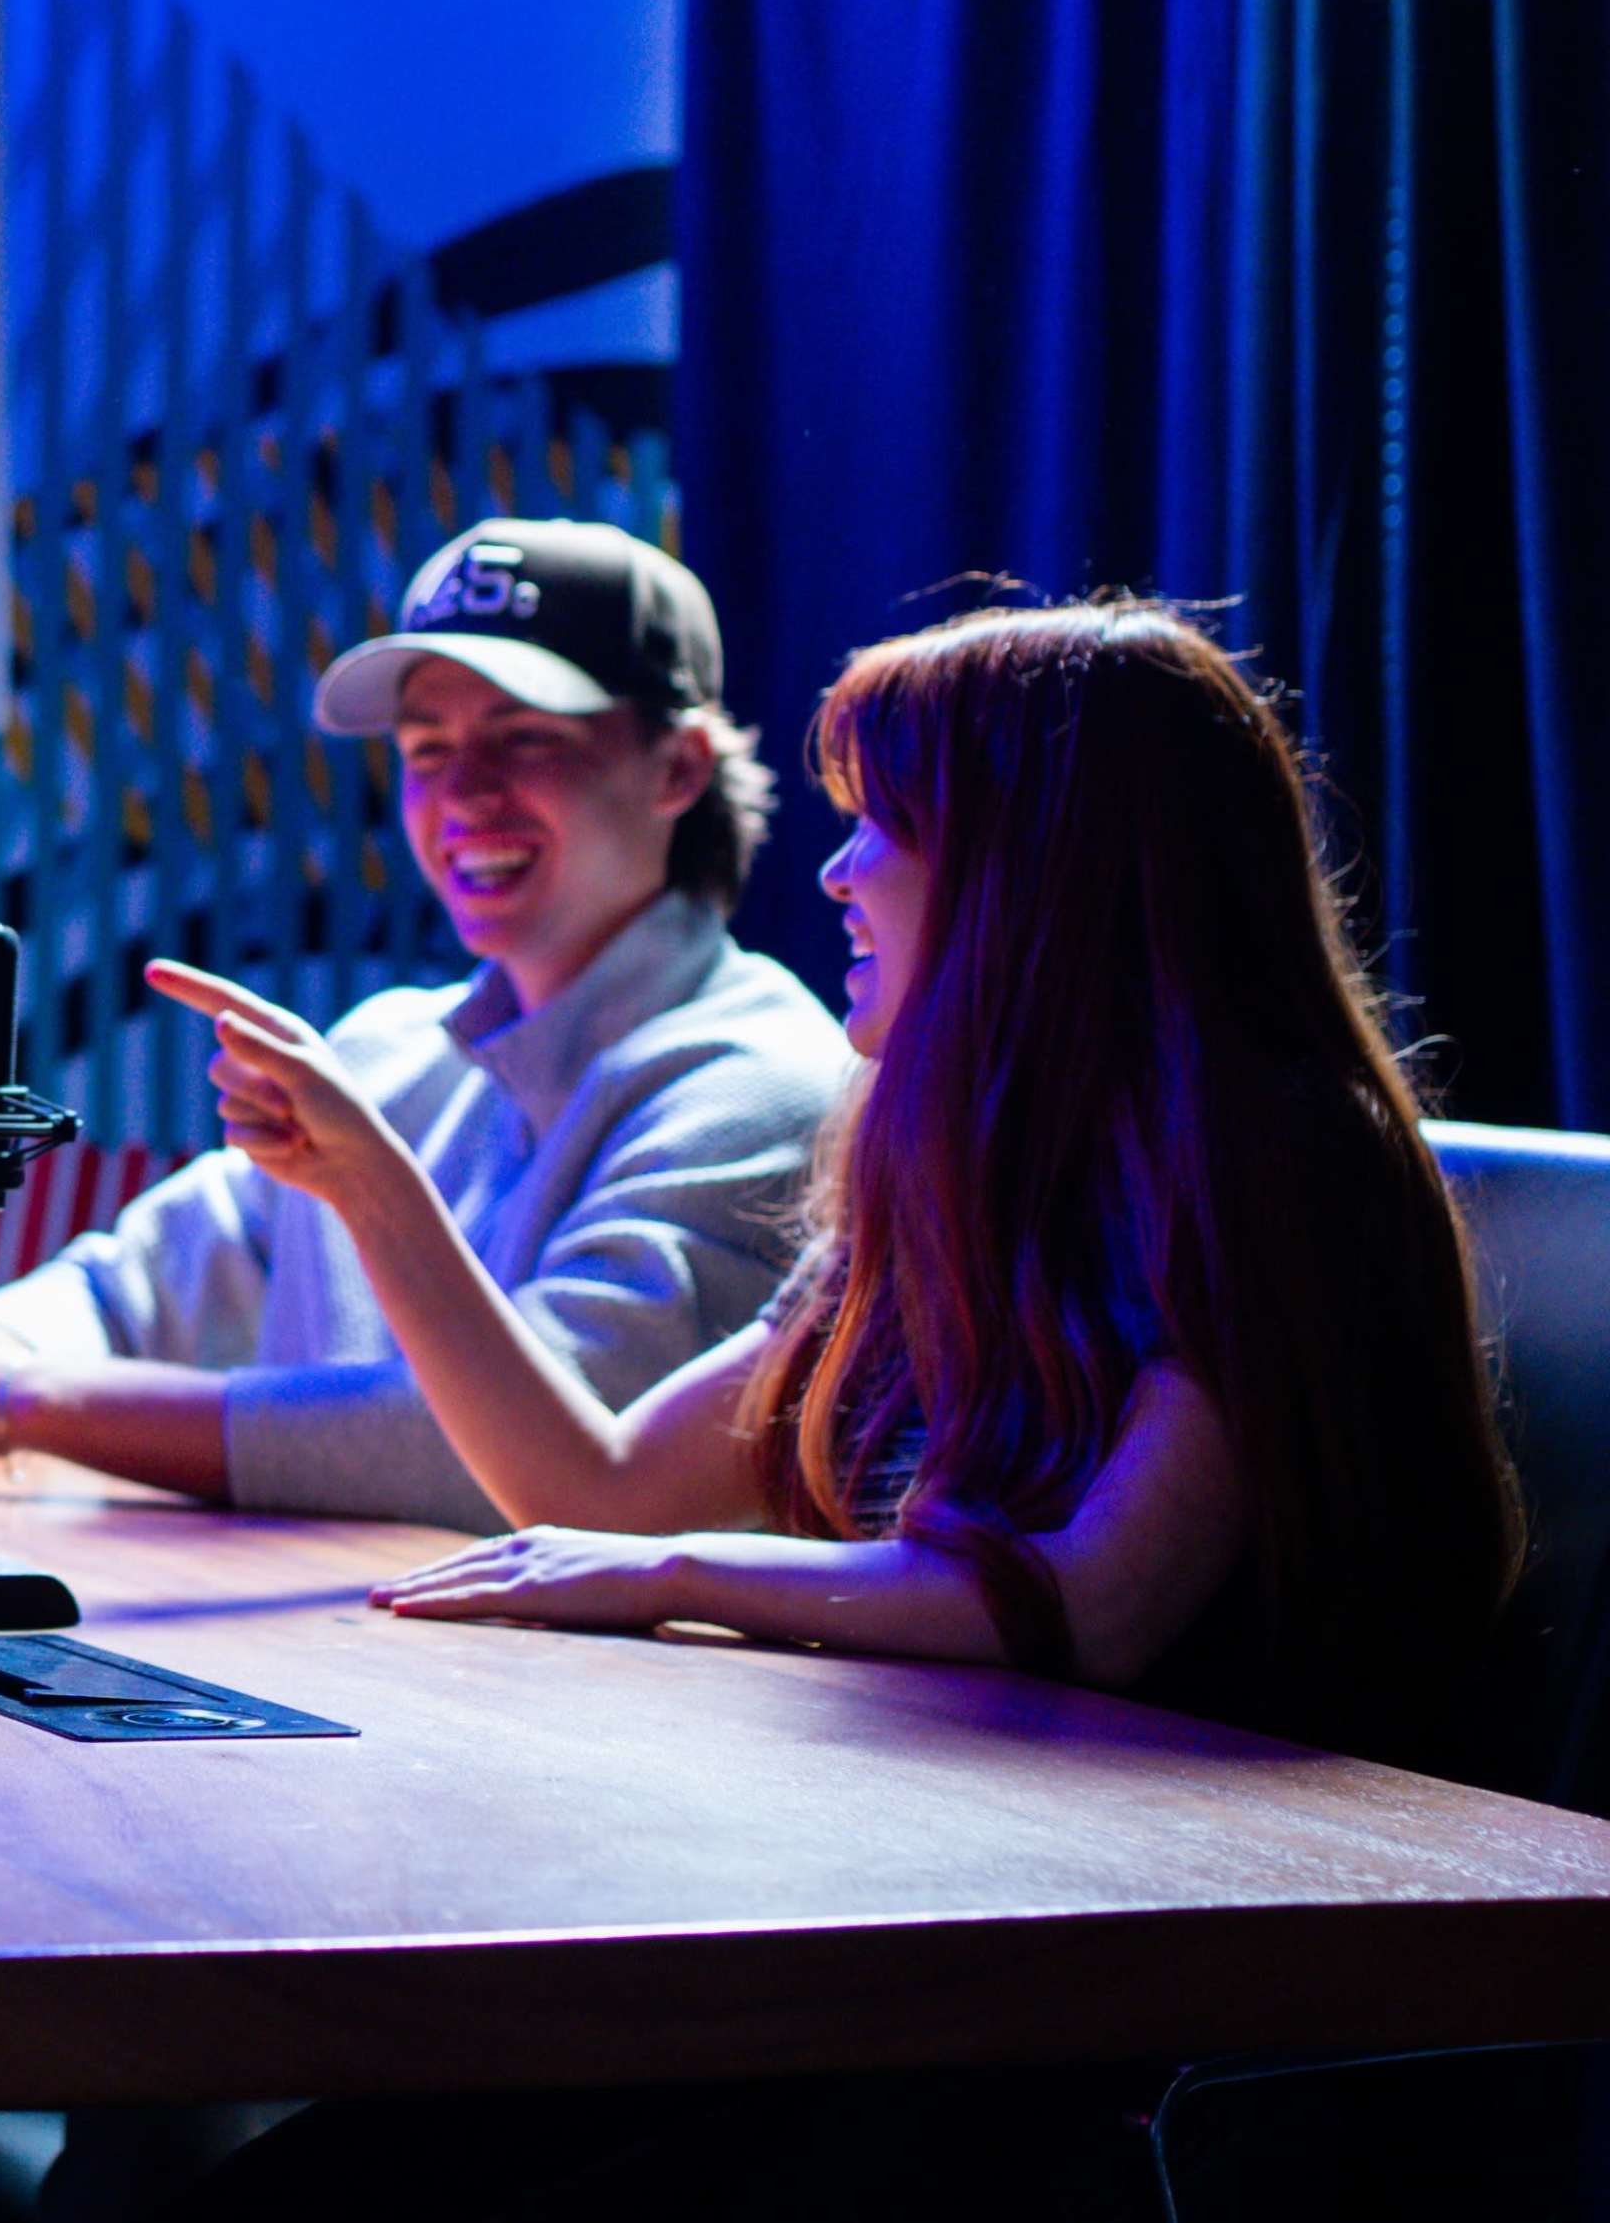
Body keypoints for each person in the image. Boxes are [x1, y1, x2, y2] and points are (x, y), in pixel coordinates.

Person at [155, 599, 1524, 1763]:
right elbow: (601, 1486)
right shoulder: (935, 1152)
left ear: (1038, 872)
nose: (837, 869)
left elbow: (1097, 1607)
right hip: (989, 1858)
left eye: (887, 823)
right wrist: (376, 1191)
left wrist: (679, 1576)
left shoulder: (1278, 1157)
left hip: (1194, 1960)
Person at [0, 519, 851, 1529]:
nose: (465, 794)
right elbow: (130, 1287)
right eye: (427, 747)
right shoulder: (391, 1048)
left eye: (526, 739)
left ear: (679, 768)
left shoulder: (764, 1083)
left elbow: (532, 1459)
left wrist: (25, 1404)